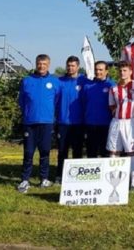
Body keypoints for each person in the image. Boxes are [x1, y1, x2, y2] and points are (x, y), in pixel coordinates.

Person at [17, 54, 61, 193]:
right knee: (28, 152)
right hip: (30, 122)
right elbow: (21, 101)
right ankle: (25, 180)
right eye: (39, 64)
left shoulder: (55, 82)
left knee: (45, 152)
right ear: (36, 64)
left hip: (47, 122)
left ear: (48, 65)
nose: (41, 66)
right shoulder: (27, 81)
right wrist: (29, 113)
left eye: (44, 64)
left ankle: (44, 179)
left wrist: (49, 114)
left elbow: (57, 101)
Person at [107, 61, 134, 190]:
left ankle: (133, 183)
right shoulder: (114, 88)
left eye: (125, 70)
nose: (122, 73)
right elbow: (112, 106)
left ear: (131, 71)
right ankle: (114, 181)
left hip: (131, 122)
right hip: (116, 122)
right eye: (120, 70)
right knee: (113, 152)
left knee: (132, 153)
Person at [55, 55, 87, 183]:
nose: (70, 68)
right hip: (62, 122)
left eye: (73, 66)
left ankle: (77, 176)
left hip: (78, 123)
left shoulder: (84, 81)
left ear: (78, 67)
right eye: (68, 65)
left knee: (77, 151)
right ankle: (60, 175)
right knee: (62, 151)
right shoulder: (59, 81)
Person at [82, 61, 115, 158]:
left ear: (106, 71)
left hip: (106, 124)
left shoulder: (112, 85)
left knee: (105, 152)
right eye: (96, 69)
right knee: (91, 151)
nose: (98, 72)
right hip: (90, 123)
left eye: (101, 70)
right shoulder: (87, 86)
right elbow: (84, 103)